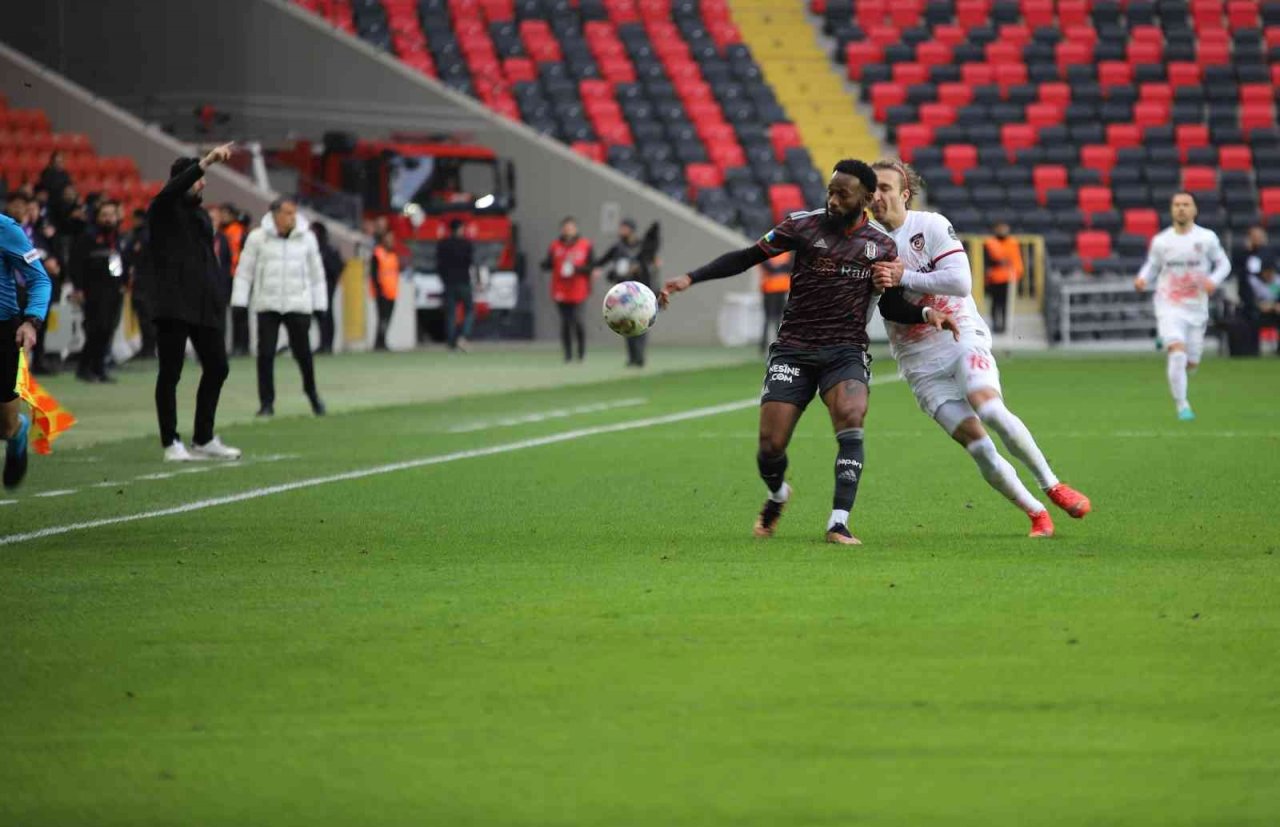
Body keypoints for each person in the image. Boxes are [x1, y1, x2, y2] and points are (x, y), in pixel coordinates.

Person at [660, 159, 958, 545]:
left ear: (865, 199)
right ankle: (777, 494)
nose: (832, 200)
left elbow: (890, 306)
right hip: (794, 349)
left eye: (842, 194)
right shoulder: (802, 225)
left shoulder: (882, 246)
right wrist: (690, 278)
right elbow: (748, 256)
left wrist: (924, 311)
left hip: (845, 350)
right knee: (770, 447)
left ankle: (838, 522)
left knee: (851, 417)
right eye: (830, 192)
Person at [869, 159, 1091, 538]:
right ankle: (1036, 513)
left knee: (987, 405)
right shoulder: (869, 243)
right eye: (871, 190)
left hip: (960, 336)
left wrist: (904, 275)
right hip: (918, 362)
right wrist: (922, 309)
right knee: (978, 446)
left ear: (905, 194)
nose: (877, 196)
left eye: (886, 188)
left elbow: (959, 282)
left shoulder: (931, 226)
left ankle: (1052, 485)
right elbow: (888, 305)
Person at [147, 143, 241, 461]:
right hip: (173, 304)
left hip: (203, 305)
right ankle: (170, 442)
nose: (203, 183)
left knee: (218, 367)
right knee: (170, 373)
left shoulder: (200, 216)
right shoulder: (162, 209)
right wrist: (207, 161)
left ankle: (203, 438)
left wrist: (217, 295)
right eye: (198, 178)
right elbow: (171, 191)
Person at [1134, 192, 1231, 421]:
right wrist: (1142, 279)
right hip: (1169, 304)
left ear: (1194, 210)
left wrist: (1213, 281)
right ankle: (1182, 406)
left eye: (1186, 204)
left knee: (1192, 363)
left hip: (1196, 307)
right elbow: (1152, 265)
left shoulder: (1207, 238)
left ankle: (1168, 342)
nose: (1181, 209)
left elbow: (1224, 264)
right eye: (1177, 204)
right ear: (1171, 210)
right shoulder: (1162, 241)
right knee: (1177, 355)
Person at [232, 198, 327, 417]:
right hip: (268, 303)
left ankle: (312, 394)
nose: (292, 217)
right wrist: (239, 301)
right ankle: (266, 403)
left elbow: (317, 275)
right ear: (275, 214)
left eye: (294, 213)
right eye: (287, 213)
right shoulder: (257, 238)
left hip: (298, 303)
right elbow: (244, 272)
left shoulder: (307, 238)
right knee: (265, 354)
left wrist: (320, 304)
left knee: (303, 354)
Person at [0, 209, 53, 488]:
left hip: (3, 330)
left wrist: (31, 322)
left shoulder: (6, 229)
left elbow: (39, 279)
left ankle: (17, 431)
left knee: (4, 426)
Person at [69, 200, 128, 383]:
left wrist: (125, 282)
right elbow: (76, 264)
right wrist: (78, 288)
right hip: (94, 291)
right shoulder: (88, 237)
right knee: (95, 329)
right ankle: (84, 368)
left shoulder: (118, 238)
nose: (108, 219)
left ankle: (99, 368)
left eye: (111, 215)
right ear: (98, 217)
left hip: (114, 291)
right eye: (104, 215)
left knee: (108, 330)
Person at [595, 218, 659, 367]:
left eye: (624, 228)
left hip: (641, 292)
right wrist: (597, 269)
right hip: (623, 293)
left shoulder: (642, 246)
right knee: (625, 324)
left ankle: (639, 357)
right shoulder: (618, 248)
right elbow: (603, 261)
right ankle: (632, 357)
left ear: (631, 229)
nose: (621, 231)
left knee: (642, 322)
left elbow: (650, 259)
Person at [543, 217, 593, 362]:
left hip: (578, 289)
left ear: (576, 229)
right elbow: (548, 263)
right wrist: (545, 264)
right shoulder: (555, 246)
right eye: (565, 228)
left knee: (578, 321)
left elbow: (591, 266)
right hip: (560, 288)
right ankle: (568, 354)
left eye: (570, 228)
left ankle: (581, 353)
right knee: (565, 322)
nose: (568, 231)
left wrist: (577, 269)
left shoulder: (585, 245)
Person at [436, 218, 475, 352]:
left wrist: (444, 279)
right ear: (459, 229)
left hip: (449, 283)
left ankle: (451, 342)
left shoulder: (443, 244)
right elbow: (470, 262)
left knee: (451, 313)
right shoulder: (466, 244)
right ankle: (463, 337)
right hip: (464, 281)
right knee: (469, 310)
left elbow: (439, 265)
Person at [125, 208, 157, 359]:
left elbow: (133, 255)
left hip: (144, 281)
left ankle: (148, 347)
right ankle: (148, 347)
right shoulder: (148, 234)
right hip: (146, 280)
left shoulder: (142, 235)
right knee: (146, 315)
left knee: (146, 315)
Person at [218, 204, 250, 356]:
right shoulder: (221, 232)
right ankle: (233, 346)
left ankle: (242, 345)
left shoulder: (239, 230)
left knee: (239, 312)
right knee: (229, 313)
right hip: (227, 276)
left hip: (239, 276)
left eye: (225, 213)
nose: (222, 217)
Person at [983, 221, 1022, 334]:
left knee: (1006, 303)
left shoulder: (1013, 243)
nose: (1002, 231)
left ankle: (1005, 325)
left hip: (1008, 278)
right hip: (994, 278)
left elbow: (1016, 260)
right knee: (995, 303)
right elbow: (991, 260)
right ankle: (995, 324)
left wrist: (1017, 273)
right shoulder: (991, 243)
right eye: (1000, 228)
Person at [311, 220, 344, 354]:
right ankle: (322, 343)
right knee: (319, 315)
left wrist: (332, 280)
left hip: (327, 286)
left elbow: (337, 266)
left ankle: (328, 344)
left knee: (327, 314)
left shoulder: (327, 249)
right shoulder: (313, 249)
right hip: (314, 286)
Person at [369, 229, 400, 351]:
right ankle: (379, 342)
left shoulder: (393, 254)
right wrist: (379, 290)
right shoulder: (377, 254)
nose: (391, 241)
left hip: (392, 292)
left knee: (387, 318)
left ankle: (382, 341)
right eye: (388, 238)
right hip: (382, 292)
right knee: (382, 318)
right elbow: (374, 274)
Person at [758, 251, 791, 353]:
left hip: (775, 287)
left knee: (773, 317)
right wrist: (781, 268)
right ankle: (768, 344)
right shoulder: (784, 253)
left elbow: (788, 266)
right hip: (774, 287)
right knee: (773, 317)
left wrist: (777, 268)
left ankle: (771, 344)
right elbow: (785, 266)